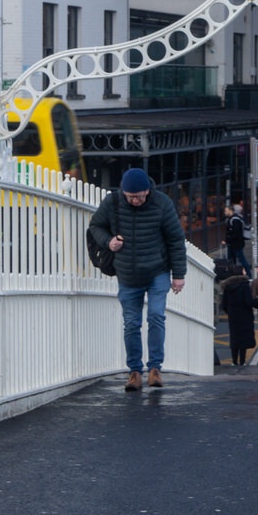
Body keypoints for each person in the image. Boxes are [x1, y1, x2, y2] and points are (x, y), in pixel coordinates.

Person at [87, 167, 188, 390]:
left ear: (147, 191)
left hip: (157, 271)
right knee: (131, 324)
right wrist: (109, 242)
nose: (136, 201)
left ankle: (155, 369)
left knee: (156, 316)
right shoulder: (112, 202)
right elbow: (95, 226)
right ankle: (134, 371)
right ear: (124, 192)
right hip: (127, 274)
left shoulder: (161, 203)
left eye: (140, 196)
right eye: (131, 197)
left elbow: (176, 240)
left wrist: (179, 275)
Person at [221, 269, 256, 367]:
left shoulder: (227, 286)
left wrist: (230, 312)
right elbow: (248, 302)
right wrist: (257, 301)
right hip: (244, 316)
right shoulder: (244, 285)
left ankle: (234, 361)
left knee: (234, 338)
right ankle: (242, 361)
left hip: (233, 316)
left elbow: (224, 304)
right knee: (243, 339)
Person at [224, 203, 250, 277]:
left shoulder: (235, 220)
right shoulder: (232, 219)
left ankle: (248, 274)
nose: (225, 212)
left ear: (230, 211)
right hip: (233, 244)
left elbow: (236, 233)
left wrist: (227, 240)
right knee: (232, 260)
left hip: (236, 244)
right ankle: (232, 274)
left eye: (226, 211)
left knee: (241, 260)